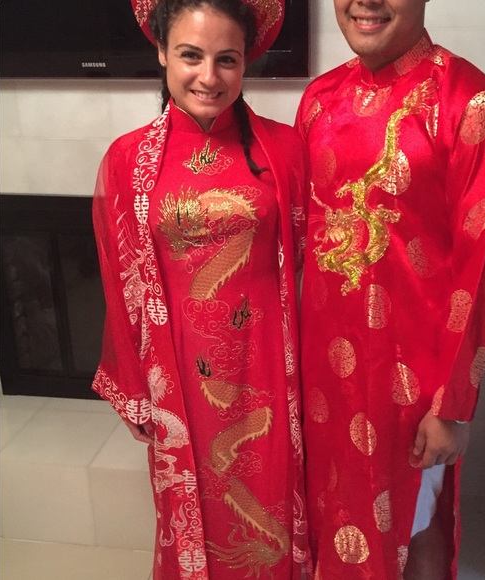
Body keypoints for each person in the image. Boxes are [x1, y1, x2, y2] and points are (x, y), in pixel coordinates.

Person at [294, 1, 485, 578]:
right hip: (322, 373)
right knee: (333, 511)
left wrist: (453, 406)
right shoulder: (319, 99)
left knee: (414, 524)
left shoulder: (474, 107)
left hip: (411, 387)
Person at [91, 0, 312, 577]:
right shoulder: (128, 160)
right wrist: (134, 385)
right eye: (191, 55)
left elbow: (309, 267)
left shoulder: (285, 151)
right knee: (190, 508)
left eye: (226, 59)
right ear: (162, 53)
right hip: (179, 373)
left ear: (246, 63)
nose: (209, 77)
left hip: (267, 364)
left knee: (273, 492)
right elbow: (121, 282)